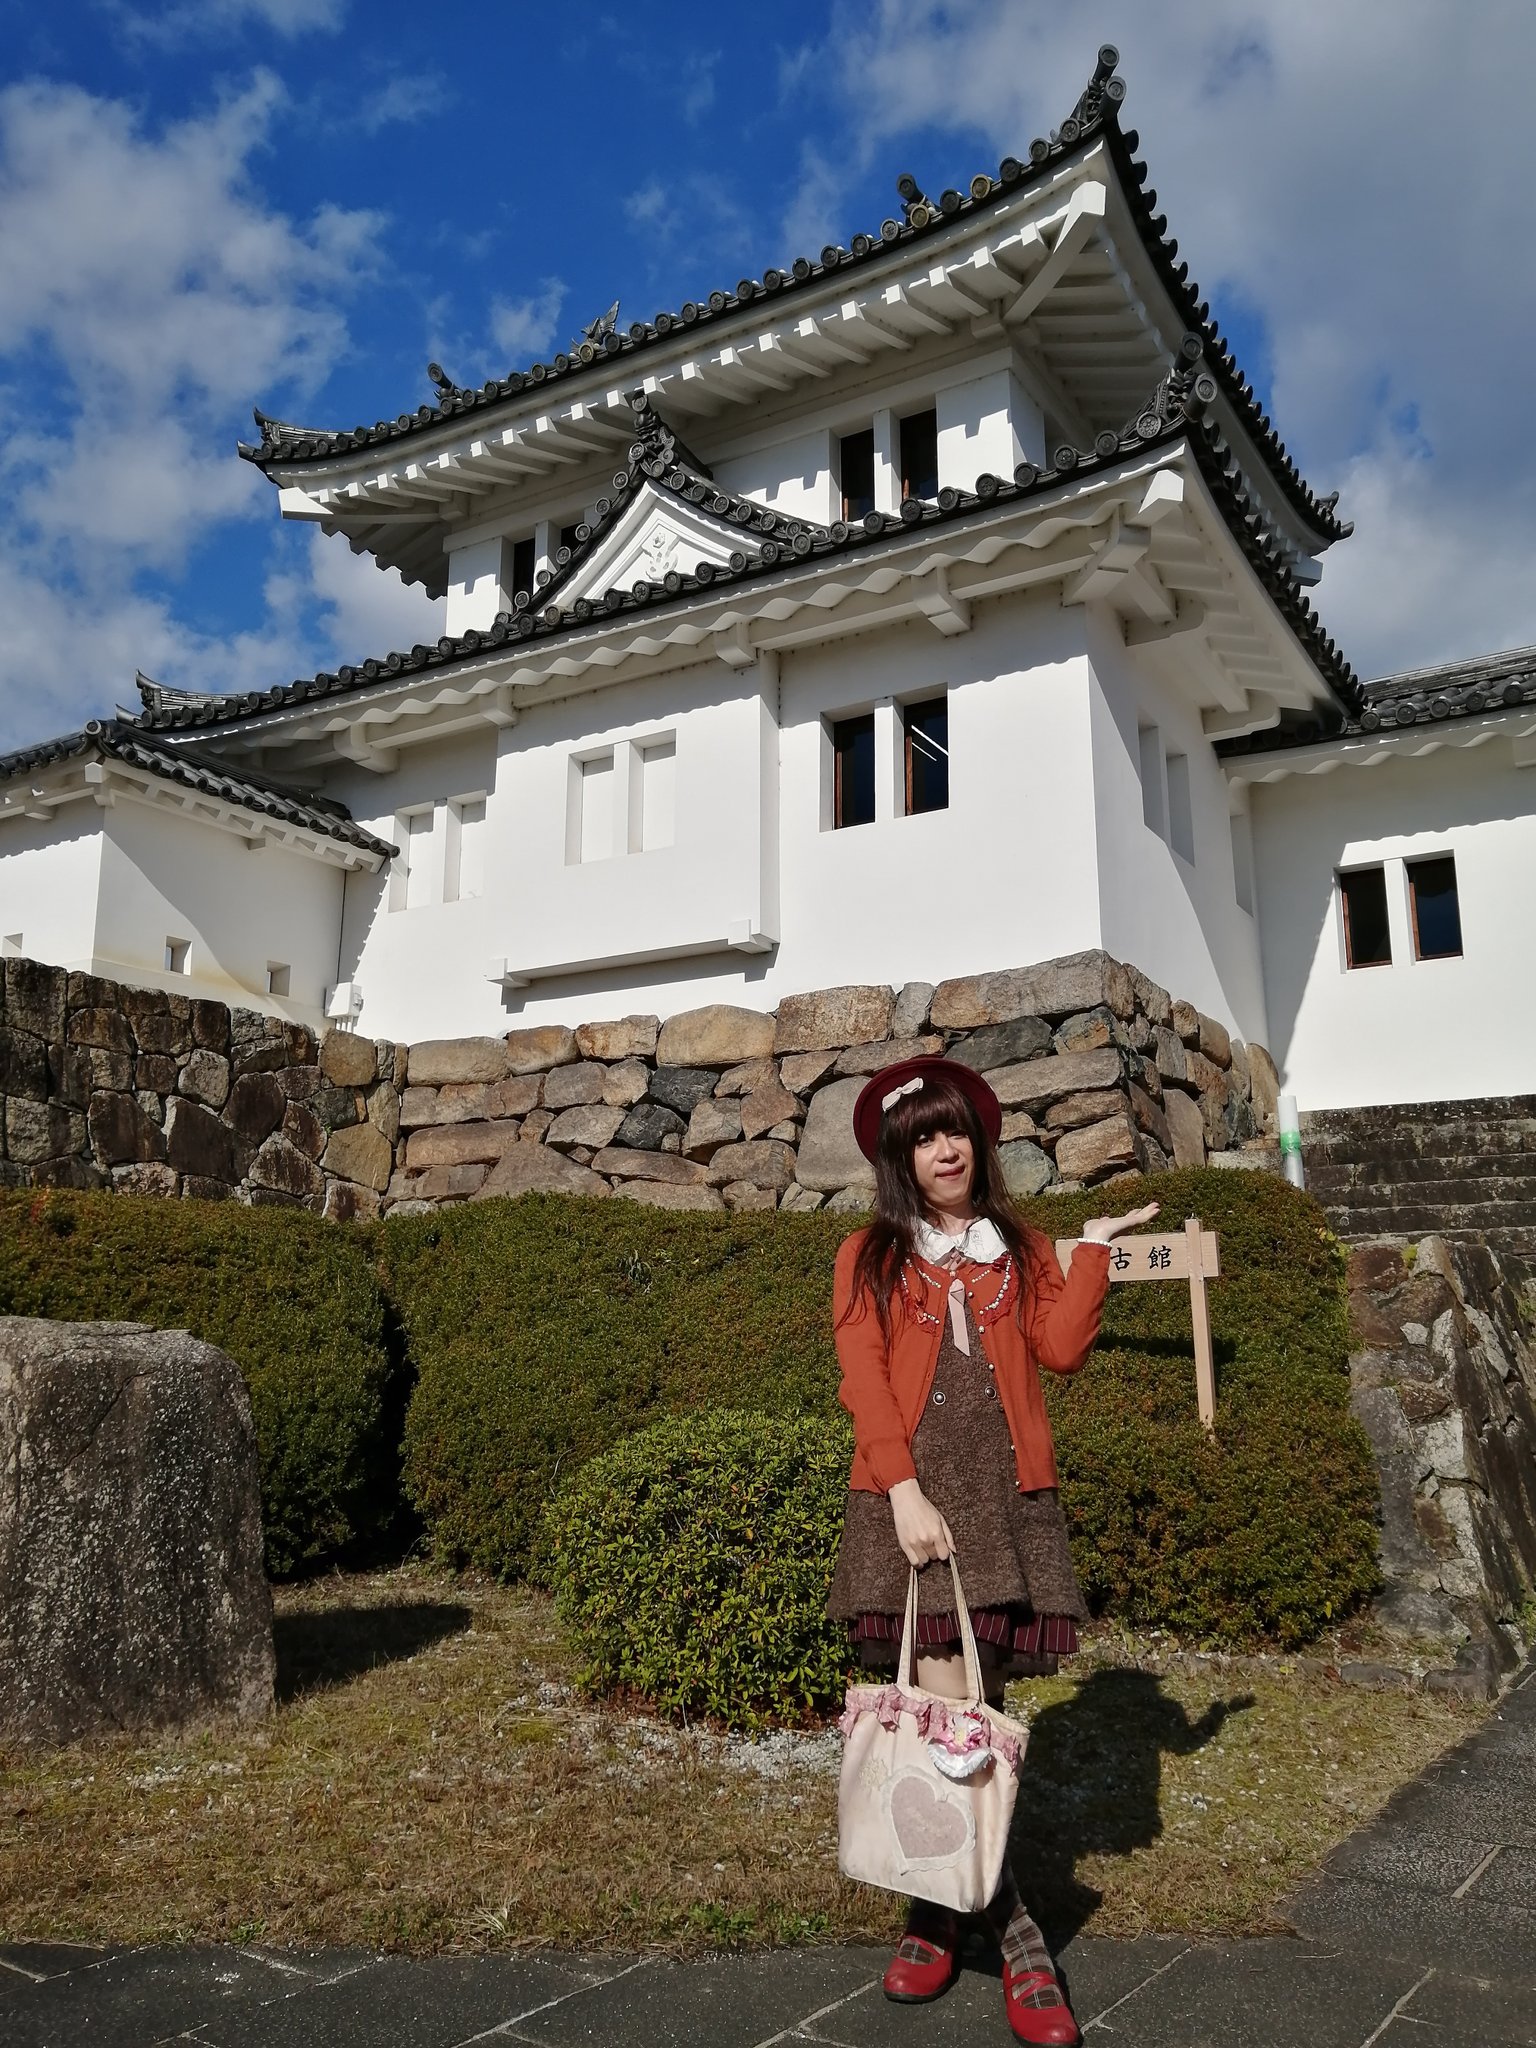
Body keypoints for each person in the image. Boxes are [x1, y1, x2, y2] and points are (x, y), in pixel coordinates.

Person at [827, 1055, 1156, 2048]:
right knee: (954, 1716)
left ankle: (935, 1912)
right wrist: (903, 1491)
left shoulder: (1021, 1246)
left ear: (978, 1139)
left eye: (955, 1130)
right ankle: (1016, 1934)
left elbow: (1061, 1349)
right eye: (923, 1136)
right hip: (918, 1503)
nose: (944, 1149)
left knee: (979, 1709)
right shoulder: (869, 1255)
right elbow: (863, 1378)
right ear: (899, 1156)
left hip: (1009, 1503)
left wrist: (1090, 1252)